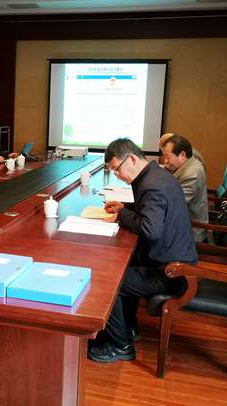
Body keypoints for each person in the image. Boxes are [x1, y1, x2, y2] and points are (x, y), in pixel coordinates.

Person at [88, 138, 197, 363]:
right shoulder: (155, 175)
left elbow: (150, 228)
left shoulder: (152, 185)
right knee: (124, 266)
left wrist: (121, 214)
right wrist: (125, 207)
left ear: (132, 159)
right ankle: (128, 327)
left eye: (117, 169)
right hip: (171, 260)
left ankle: (121, 345)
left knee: (110, 281)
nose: (117, 175)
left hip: (171, 272)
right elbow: (149, 211)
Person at [162, 135, 209, 242]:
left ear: (182, 155)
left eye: (168, 157)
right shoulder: (188, 163)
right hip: (181, 221)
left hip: (190, 230)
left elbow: (172, 205)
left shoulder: (192, 174)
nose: (165, 161)